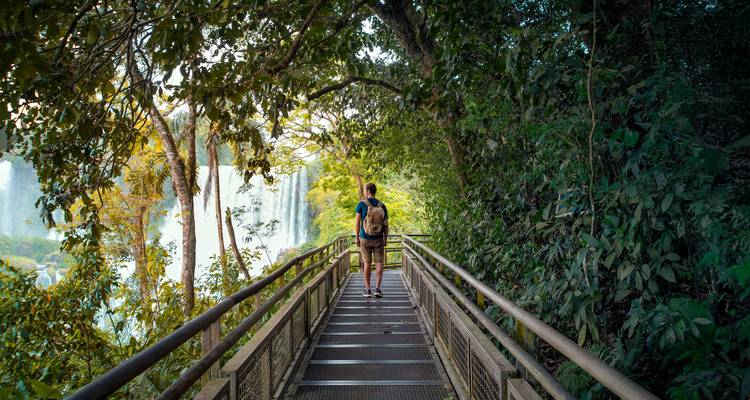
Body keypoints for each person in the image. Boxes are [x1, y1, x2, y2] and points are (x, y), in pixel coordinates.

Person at [355, 182, 388, 298]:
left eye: (365, 190)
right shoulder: (382, 205)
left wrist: (357, 238)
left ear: (368, 191)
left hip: (365, 238)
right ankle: (378, 289)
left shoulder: (361, 204)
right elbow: (385, 225)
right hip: (378, 238)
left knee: (367, 263)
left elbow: (357, 223)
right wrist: (385, 238)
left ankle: (367, 289)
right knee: (379, 263)